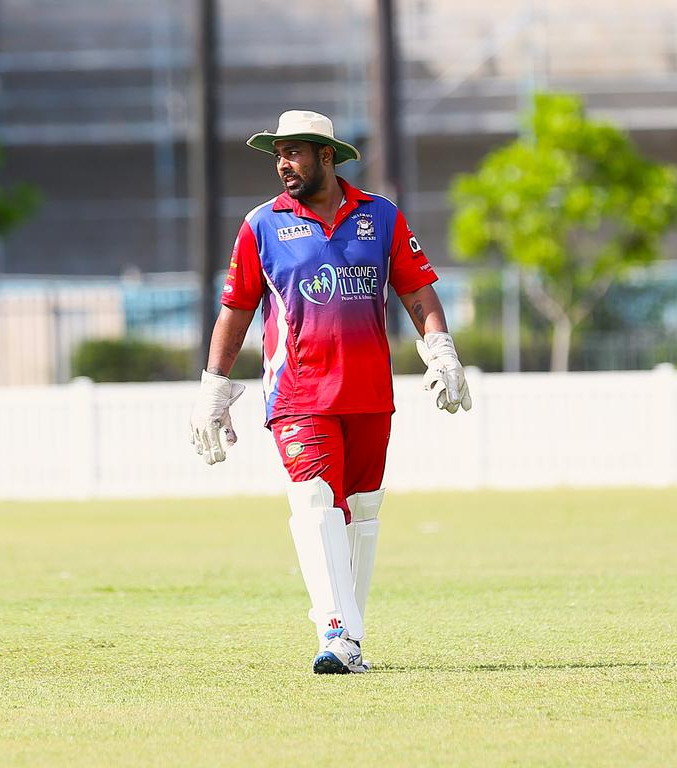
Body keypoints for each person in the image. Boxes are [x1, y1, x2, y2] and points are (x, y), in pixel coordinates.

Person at [190, 110, 472, 674]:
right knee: (317, 501)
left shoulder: (381, 217)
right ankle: (337, 631)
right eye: (278, 154)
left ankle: (350, 643)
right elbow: (237, 309)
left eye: (294, 152)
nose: (283, 164)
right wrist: (214, 387)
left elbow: (416, 288)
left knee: (361, 511)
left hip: (369, 393)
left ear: (326, 156)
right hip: (298, 394)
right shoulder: (262, 224)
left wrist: (439, 348)